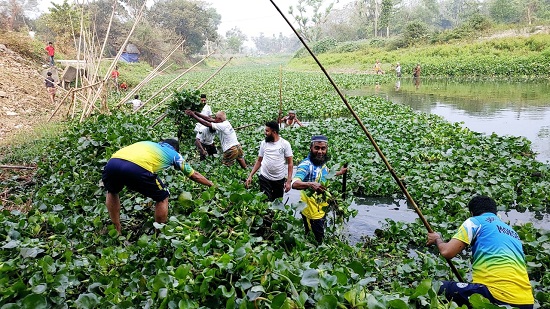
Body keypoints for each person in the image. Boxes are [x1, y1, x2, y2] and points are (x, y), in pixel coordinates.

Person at [427, 195, 534, 309]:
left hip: (497, 296)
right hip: (527, 302)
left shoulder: (475, 221)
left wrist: (437, 239)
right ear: (495, 212)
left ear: (472, 213)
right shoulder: (513, 233)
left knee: (434, 287)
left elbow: (447, 252)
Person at [102, 139, 213, 233]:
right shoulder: (174, 154)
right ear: (175, 149)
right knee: (162, 197)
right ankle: (159, 233)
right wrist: (211, 185)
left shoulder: (148, 143)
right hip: (137, 167)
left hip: (112, 163)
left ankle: (117, 230)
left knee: (112, 191)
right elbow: (194, 175)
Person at [291, 135, 347, 244]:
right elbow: (294, 183)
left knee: (313, 234)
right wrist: (310, 184)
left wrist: (339, 173)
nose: (320, 151)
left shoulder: (321, 162)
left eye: (323, 148)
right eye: (317, 148)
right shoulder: (306, 165)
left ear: (326, 149)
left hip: (321, 207)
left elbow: (326, 173)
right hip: (311, 210)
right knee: (318, 239)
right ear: (311, 148)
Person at [245, 121, 293, 201]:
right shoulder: (264, 143)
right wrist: (250, 175)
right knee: (265, 201)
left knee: (277, 202)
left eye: (267, 131)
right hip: (265, 177)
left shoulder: (285, 144)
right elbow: (259, 161)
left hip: (279, 178)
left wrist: (288, 181)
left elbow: (290, 163)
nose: (265, 133)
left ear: (274, 132)